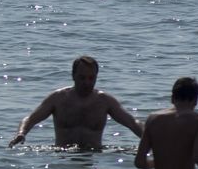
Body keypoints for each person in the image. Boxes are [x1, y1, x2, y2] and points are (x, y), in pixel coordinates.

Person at [8, 56, 142, 150]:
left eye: (91, 78)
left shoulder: (104, 101)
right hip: (63, 154)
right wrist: (21, 133)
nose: (87, 82)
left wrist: (152, 140)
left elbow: (132, 122)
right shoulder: (58, 98)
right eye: (82, 77)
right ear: (73, 76)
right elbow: (30, 119)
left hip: (94, 155)